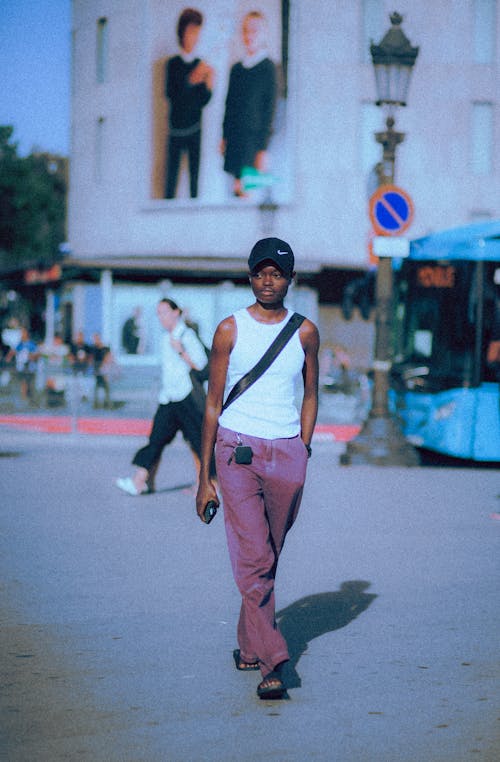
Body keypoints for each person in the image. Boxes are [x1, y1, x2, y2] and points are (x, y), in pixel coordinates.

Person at [195, 237, 319, 700]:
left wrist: (303, 447)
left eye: (277, 273)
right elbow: (211, 405)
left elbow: (310, 395)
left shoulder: (305, 332)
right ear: (250, 277)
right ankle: (273, 660)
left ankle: (248, 646)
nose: (268, 280)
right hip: (237, 451)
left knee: (268, 555)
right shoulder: (230, 330)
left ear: (290, 279)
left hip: (287, 453)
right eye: (260, 272)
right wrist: (204, 475)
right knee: (255, 558)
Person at [116, 298, 215, 496]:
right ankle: (142, 482)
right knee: (156, 440)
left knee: (198, 442)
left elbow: (202, 364)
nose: (160, 317)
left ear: (176, 312)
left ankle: (210, 485)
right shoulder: (164, 338)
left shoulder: (186, 335)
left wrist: (181, 351)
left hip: (187, 398)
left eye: (164, 312)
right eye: (158, 313)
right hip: (169, 399)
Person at [221, 11, 277, 197]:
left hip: (253, 142)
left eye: (254, 30)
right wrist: (224, 136)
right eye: (245, 31)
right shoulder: (237, 69)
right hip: (235, 139)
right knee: (234, 189)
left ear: (264, 34)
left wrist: (263, 148)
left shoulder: (269, 68)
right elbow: (229, 105)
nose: (249, 35)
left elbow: (269, 111)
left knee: (247, 190)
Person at [165, 8, 214, 199]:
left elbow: (203, 101)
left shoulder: (201, 64)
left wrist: (209, 86)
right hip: (175, 130)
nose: (194, 37)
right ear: (182, 32)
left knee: (195, 181)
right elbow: (171, 94)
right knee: (171, 181)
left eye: (197, 32)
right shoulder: (172, 64)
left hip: (195, 129)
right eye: (190, 31)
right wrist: (193, 79)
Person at [6, 326, 39, 402]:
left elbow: (36, 354)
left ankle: (28, 398)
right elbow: (13, 352)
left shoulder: (31, 344)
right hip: (21, 367)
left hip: (29, 367)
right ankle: (24, 398)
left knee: (28, 383)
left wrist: (31, 357)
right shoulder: (19, 344)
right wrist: (9, 358)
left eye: (23, 333)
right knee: (23, 383)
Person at [90, 333, 113, 409]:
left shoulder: (105, 348)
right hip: (97, 371)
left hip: (104, 370)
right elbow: (92, 359)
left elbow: (109, 358)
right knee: (97, 387)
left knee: (105, 387)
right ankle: (97, 404)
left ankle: (107, 403)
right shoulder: (93, 349)